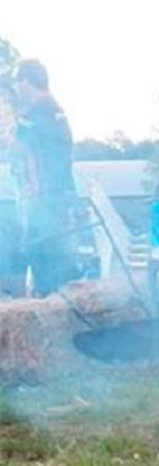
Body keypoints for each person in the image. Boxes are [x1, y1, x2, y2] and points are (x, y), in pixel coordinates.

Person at [11, 59, 78, 295]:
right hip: (60, 198)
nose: (16, 88)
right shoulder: (57, 111)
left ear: (28, 81)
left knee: (36, 254)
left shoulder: (34, 114)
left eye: (18, 82)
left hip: (46, 200)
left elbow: (16, 148)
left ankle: (39, 302)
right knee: (54, 258)